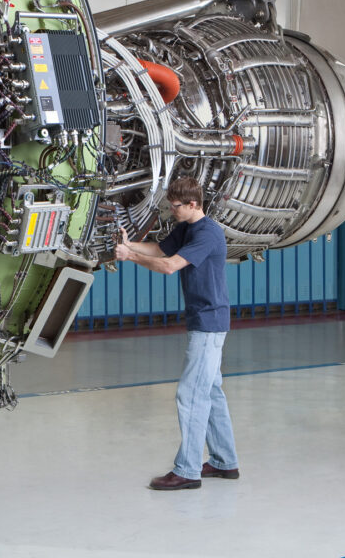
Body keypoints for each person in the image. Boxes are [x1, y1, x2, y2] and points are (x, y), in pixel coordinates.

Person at [114, 175, 239, 490]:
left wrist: (130, 257)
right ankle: (224, 461)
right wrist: (129, 245)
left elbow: (169, 266)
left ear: (193, 204)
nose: (172, 211)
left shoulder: (208, 233)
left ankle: (187, 471)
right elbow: (159, 250)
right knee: (211, 392)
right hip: (203, 319)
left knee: (191, 394)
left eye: (176, 206)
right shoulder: (186, 228)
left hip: (209, 323)